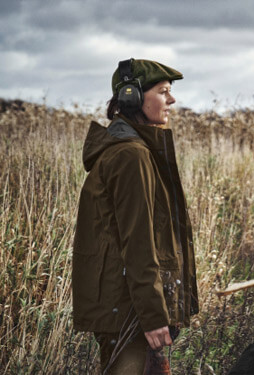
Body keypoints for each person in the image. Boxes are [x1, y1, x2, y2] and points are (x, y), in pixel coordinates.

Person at [72, 58, 199, 374]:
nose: (172, 100)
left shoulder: (132, 150)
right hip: (129, 312)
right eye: (163, 91)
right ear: (131, 97)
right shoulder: (131, 155)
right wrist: (154, 317)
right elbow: (138, 244)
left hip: (127, 307)